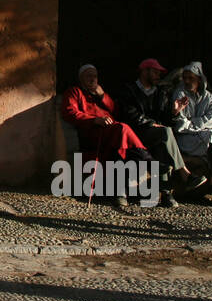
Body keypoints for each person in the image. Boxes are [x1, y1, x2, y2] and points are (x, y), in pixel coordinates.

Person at [118, 57, 208, 207]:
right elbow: (129, 114)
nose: (159, 76)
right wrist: (152, 124)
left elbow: (165, 120)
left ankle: (166, 194)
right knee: (165, 135)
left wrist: (174, 112)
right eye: (155, 72)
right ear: (145, 71)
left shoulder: (161, 93)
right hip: (136, 134)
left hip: (157, 134)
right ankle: (184, 174)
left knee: (164, 143)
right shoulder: (129, 90)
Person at [61, 63, 153, 208]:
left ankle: (122, 190)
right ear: (81, 79)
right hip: (92, 132)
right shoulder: (75, 92)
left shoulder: (100, 93)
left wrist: (103, 97)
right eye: (88, 76)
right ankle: (146, 159)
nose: (93, 79)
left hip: (112, 134)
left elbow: (116, 111)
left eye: (95, 76)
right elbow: (69, 113)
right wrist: (94, 120)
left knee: (121, 135)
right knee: (122, 128)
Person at [169, 61, 212, 195]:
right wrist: (200, 125)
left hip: (203, 138)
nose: (187, 81)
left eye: (190, 78)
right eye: (185, 78)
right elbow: (180, 125)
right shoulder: (180, 94)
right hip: (186, 140)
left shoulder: (208, 98)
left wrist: (190, 123)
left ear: (199, 79)